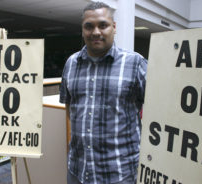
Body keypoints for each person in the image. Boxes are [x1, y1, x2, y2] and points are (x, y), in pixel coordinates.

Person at [60, 2, 147, 184]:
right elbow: (69, 108)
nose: (96, 32)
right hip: (78, 170)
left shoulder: (135, 63)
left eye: (103, 25)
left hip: (119, 173)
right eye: (89, 26)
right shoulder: (71, 63)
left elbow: (157, 112)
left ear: (114, 27)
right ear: (82, 30)